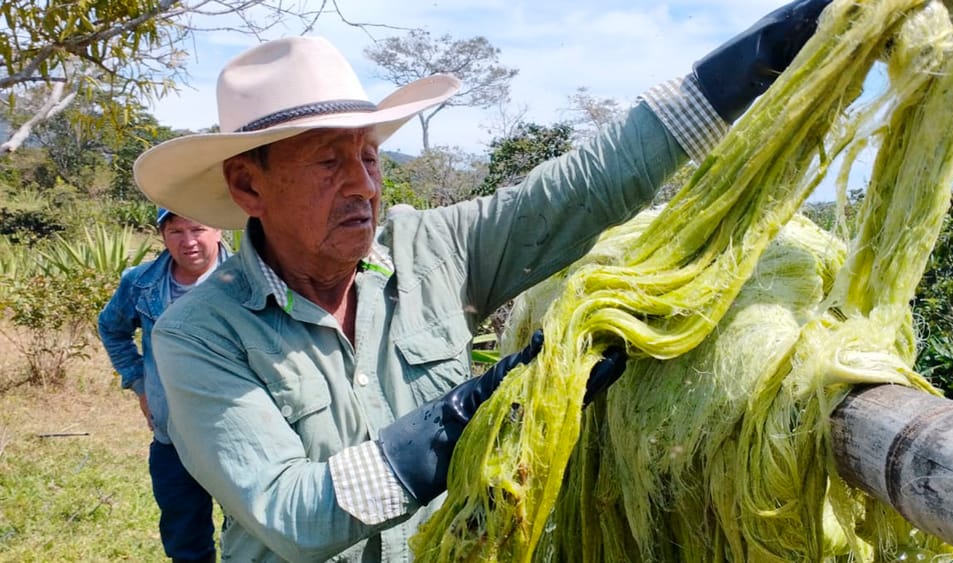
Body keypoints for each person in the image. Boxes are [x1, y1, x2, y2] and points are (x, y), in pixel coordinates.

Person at [133, 1, 832, 560]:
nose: (364, 186)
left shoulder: (430, 249)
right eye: (327, 162)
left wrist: (758, 57)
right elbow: (295, 515)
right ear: (247, 183)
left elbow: (583, 188)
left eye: (369, 156)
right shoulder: (198, 336)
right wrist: (469, 414)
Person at [97, 208, 229, 563]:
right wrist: (139, 382)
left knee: (251, 532)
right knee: (185, 537)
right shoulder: (140, 283)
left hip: (234, 433)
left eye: (198, 228)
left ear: (218, 229)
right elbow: (111, 327)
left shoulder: (245, 278)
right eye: (176, 232)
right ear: (162, 235)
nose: (188, 242)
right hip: (172, 435)